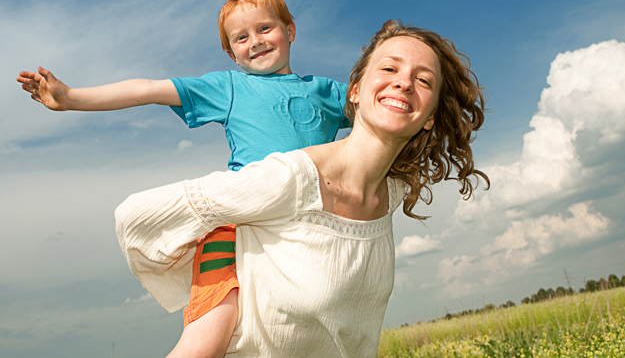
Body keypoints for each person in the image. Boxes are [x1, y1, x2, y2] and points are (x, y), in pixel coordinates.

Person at [115, 20, 489, 357]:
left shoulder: (389, 195)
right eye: (389, 68)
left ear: (430, 118)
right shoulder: (290, 178)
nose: (404, 82)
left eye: (423, 80)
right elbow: (137, 216)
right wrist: (225, 238)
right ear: (354, 91)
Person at [16, 0, 350, 358]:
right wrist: (72, 99)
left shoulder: (328, 93)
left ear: (290, 30)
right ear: (230, 52)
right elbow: (148, 89)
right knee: (210, 333)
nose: (255, 42)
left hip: (305, 231)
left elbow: (383, 110)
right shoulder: (230, 87)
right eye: (241, 37)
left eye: (265, 29)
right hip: (236, 223)